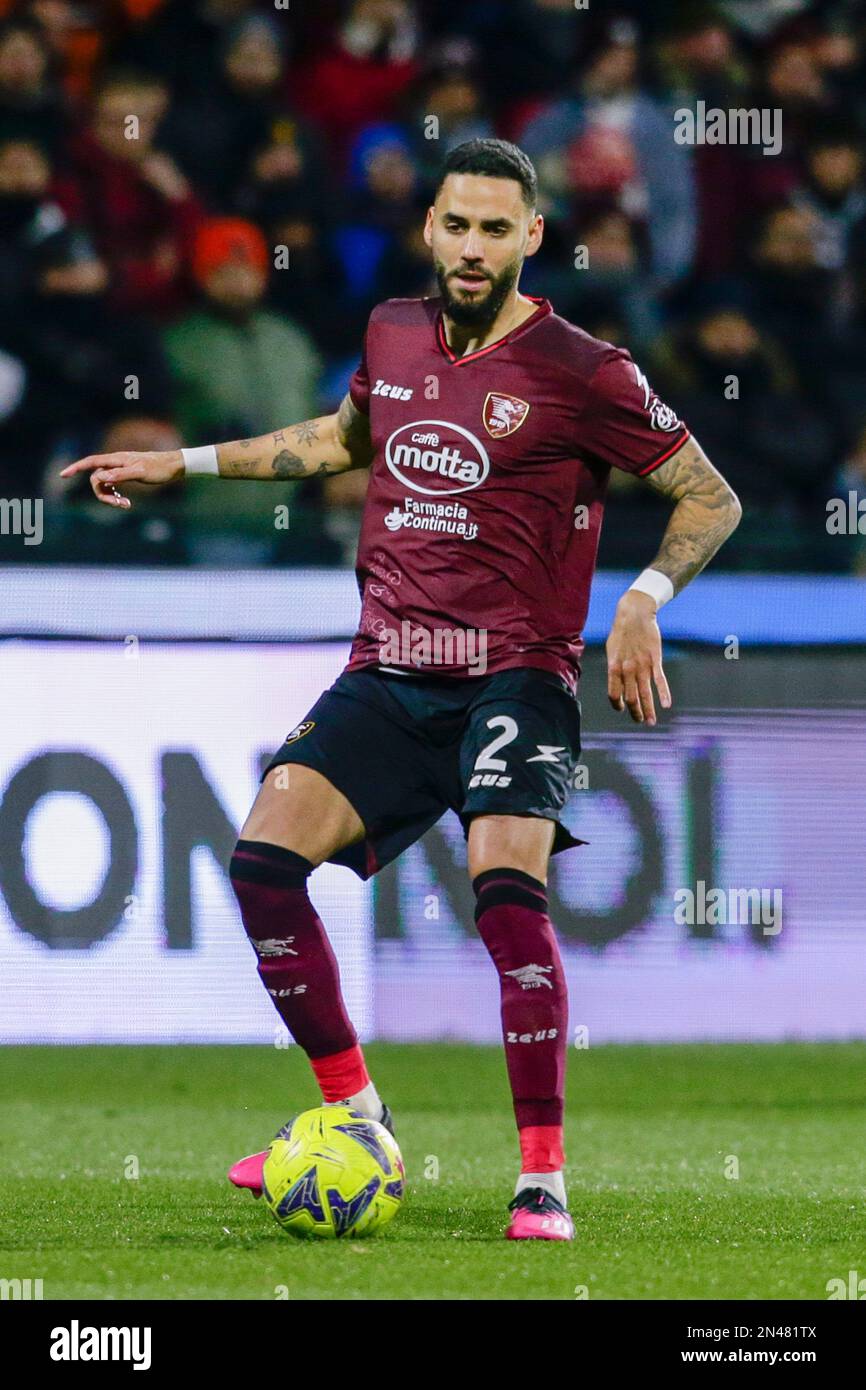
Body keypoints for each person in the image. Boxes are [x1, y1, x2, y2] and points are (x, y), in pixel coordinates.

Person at [60, 139, 741, 1242]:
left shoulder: (583, 367)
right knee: (261, 865)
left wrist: (642, 596)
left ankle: (541, 1180)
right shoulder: (390, 331)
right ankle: (357, 1116)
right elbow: (338, 441)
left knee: (504, 898)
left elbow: (707, 495)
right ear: (428, 227)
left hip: (514, 672)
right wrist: (176, 464)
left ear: (530, 236)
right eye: (454, 225)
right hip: (388, 667)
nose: (471, 248)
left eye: (494, 228)